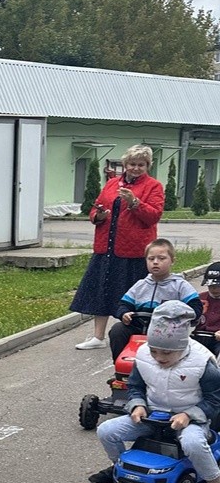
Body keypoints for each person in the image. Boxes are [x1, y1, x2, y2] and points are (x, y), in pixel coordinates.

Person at [91, 300, 220, 483]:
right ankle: (120, 466)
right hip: (152, 415)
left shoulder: (203, 362)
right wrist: (138, 405)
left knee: (193, 443)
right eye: (154, 350)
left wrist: (188, 415)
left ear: (183, 345)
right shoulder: (143, 355)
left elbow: (214, 400)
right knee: (106, 431)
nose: (159, 357)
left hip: (189, 419)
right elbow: (135, 386)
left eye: (167, 352)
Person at [70, 145, 164, 350]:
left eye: (141, 165)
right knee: (101, 291)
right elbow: (96, 208)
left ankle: (136, 336)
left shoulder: (153, 186)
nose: (136, 168)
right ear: (125, 165)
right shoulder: (112, 183)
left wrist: (135, 202)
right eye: (132, 164)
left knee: (135, 295)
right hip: (107, 248)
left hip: (134, 251)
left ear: (148, 166)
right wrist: (99, 215)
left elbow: (153, 216)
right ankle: (98, 337)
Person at [107, 238, 201, 362]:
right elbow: (123, 304)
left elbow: (196, 307)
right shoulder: (140, 285)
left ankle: (165, 366)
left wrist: (178, 317)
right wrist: (124, 313)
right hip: (140, 326)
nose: (155, 262)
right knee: (118, 330)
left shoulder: (180, 286)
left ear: (172, 261)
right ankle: (121, 364)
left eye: (161, 258)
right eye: (151, 259)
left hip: (167, 330)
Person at [194, 262, 220, 356]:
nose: (215, 290)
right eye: (211, 286)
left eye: (218, 286)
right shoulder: (199, 298)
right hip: (198, 337)